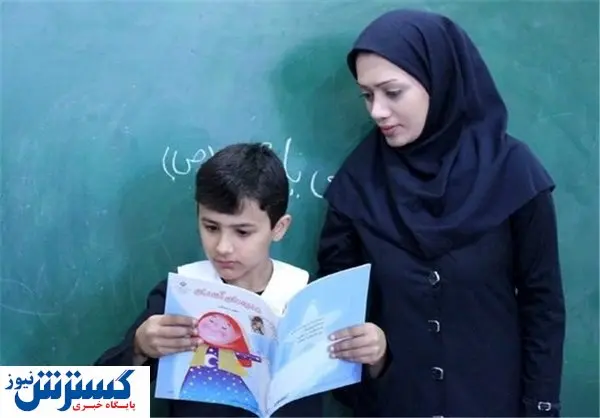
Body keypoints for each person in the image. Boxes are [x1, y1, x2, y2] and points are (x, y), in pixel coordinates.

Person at [320, 9, 566, 418]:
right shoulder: (358, 188)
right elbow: (340, 318)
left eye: (392, 92)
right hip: (396, 405)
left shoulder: (513, 173)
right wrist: (373, 361)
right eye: (367, 95)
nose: (377, 110)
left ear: (439, 81)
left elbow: (542, 305)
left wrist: (540, 409)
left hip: (495, 404)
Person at [94, 143, 323, 417]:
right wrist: (138, 349)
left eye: (242, 232)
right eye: (211, 227)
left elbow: (346, 392)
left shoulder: (310, 299)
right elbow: (96, 400)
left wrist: (369, 361)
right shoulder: (179, 294)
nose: (223, 247)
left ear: (279, 228)